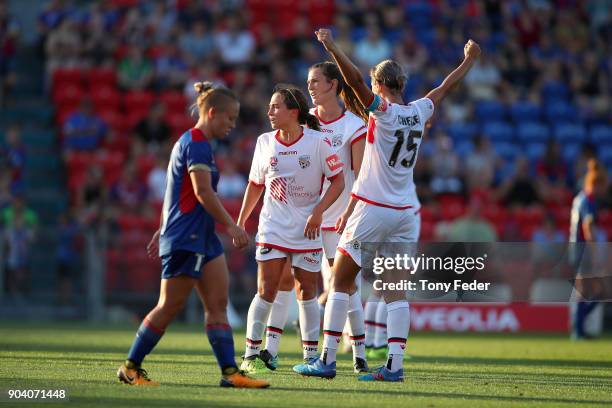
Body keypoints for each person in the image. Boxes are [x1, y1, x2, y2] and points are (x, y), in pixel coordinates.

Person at [293, 28, 480, 382]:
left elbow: (351, 79)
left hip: (373, 207)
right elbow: (443, 89)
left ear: (378, 85)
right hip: (407, 213)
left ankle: (327, 360)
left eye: (372, 85)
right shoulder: (418, 110)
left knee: (342, 282)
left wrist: (332, 46)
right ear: (402, 85)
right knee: (396, 291)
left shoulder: (383, 112)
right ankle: (394, 366)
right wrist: (468, 61)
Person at [116, 81, 269, 389]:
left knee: (218, 303)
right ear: (212, 113)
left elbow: (178, 191)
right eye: (229, 118)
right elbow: (201, 192)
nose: (232, 125)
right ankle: (130, 367)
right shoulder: (196, 143)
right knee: (169, 305)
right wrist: (232, 225)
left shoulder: (194, 142)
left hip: (202, 237)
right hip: (188, 237)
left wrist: (162, 225)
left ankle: (230, 374)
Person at [262, 61, 369, 373]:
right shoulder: (304, 122)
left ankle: (358, 354)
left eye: (315, 81)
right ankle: (272, 350)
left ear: (333, 85)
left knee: (345, 286)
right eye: (308, 82)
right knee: (289, 280)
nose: (309, 87)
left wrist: (352, 213)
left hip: (340, 219)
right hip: (304, 219)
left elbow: (359, 176)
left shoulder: (353, 125)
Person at [237, 84, 345, 373]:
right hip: (272, 227)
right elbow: (255, 185)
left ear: (293, 112)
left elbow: (339, 181)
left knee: (307, 290)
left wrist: (319, 212)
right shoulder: (264, 142)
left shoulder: (318, 142)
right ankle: (250, 354)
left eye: (275, 107)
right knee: (266, 289)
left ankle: (310, 356)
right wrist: (240, 222)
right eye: (270, 107)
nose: (269, 111)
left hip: (307, 231)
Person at [569, 159, 608, 340]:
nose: (605, 190)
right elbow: (587, 228)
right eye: (603, 186)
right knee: (591, 289)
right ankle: (578, 330)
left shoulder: (580, 198)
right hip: (583, 249)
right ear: (596, 184)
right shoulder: (588, 200)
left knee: (592, 289)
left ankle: (579, 328)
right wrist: (594, 253)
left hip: (576, 249)